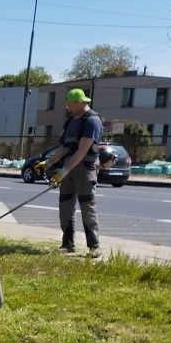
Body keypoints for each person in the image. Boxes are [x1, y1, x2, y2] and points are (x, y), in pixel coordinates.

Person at [37, 88, 104, 256]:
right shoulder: (70, 121)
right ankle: (67, 244)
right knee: (65, 205)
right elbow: (65, 147)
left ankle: (94, 246)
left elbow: (82, 151)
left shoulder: (92, 121)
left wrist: (64, 170)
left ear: (80, 103)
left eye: (70, 105)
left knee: (87, 206)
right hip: (68, 169)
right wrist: (48, 163)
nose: (67, 108)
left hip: (84, 170)